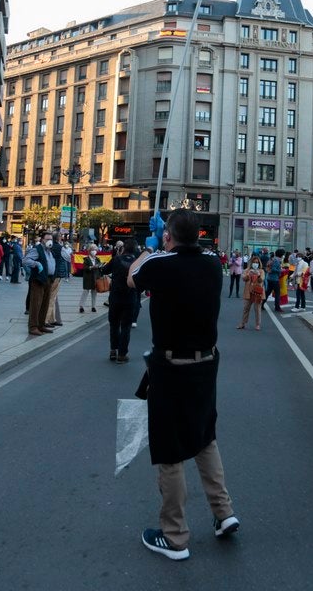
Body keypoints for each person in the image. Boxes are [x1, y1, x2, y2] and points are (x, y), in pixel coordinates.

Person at [129, 210, 238, 561]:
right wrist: (167, 245)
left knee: (170, 449)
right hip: (206, 362)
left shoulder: (161, 263)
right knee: (205, 435)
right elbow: (190, 253)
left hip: (172, 366)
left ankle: (175, 535)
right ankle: (224, 512)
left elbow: (132, 278)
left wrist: (148, 248)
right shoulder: (211, 263)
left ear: (167, 236)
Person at [100, 239, 138, 361]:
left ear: (123, 248)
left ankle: (113, 350)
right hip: (130, 298)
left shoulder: (116, 259)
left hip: (115, 297)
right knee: (126, 326)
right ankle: (122, 354)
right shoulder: (136, 262)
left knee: (114, 324)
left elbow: (104, 270)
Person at [23, 231, 57, 336]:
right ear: (42, 240)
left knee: (44, 304)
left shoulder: (50, 251)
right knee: (36, 304)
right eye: (47, 239)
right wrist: (36, 263)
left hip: (48, 279)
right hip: (38, 280)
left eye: (51, 239)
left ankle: (41, 325)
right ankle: (33, 327)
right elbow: (25, 260)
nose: (49, 241)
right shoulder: (37, 249)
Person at [237, 254, 265, 330]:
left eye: (257, 262)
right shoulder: (247, 270)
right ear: (251, 263)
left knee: (257, 309)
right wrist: (248, 275)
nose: (255, 264)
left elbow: (261, 280)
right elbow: (244, 279)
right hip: (248, 292)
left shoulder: (261, 271)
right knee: (246, 308)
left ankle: (258, 324)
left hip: (257, 292)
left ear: (259, 263)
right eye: (254, 262)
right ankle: (242, 323)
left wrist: (258, 275)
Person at [78, 243, 103, 313]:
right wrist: (92, 267)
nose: (94, 251)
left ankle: (93, 306)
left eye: (95, 249)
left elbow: (100, 268)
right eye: (92, 249)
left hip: (96, 278)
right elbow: (85, 268)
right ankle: (81, 306)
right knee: (85, 292)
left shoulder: (98, 259)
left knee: (94, 292)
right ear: (89, 251)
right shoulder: (86, 259)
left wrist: (100, 266)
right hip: (88, 278)